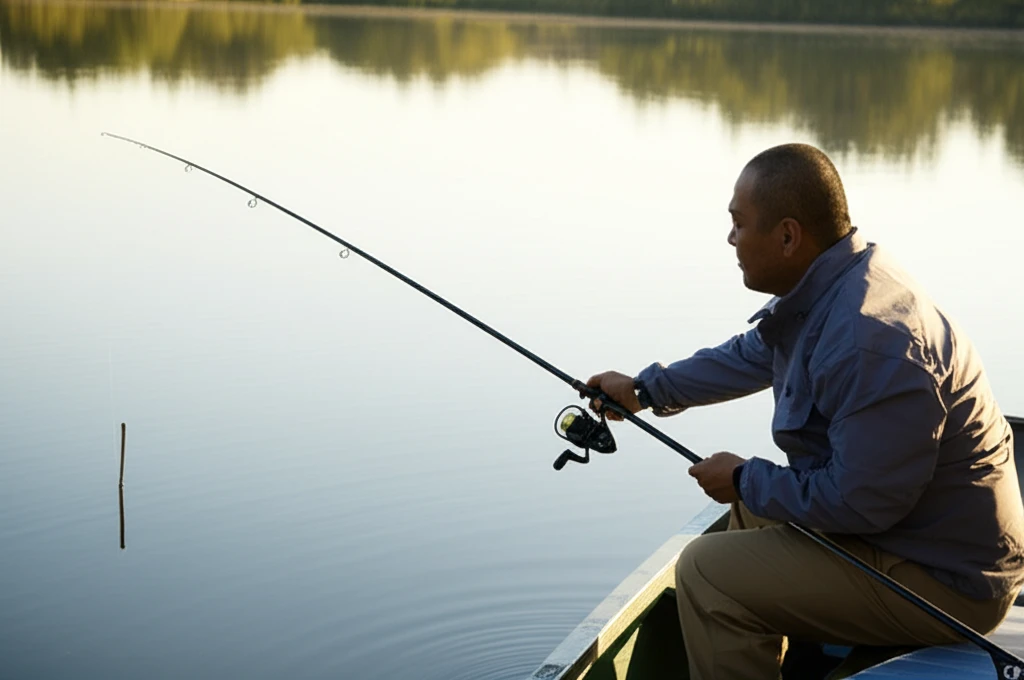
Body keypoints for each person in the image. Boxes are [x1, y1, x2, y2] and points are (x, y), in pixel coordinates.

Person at [585, 143, 1024, 679]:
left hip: (948, 582)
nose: (730, 239)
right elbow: (753, 353)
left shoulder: (871, 340)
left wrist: (746, 478)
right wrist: (645, 390)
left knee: (707, 573)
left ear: (789, 236)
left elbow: (860, 505)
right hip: (909, 539)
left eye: (738, 224)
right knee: (750, 516)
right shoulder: (834, 286)